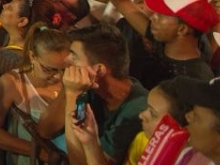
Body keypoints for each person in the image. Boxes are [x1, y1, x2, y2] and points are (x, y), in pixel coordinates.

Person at [42, 23, 148, 165]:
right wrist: (67, 90)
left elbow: (80, 163)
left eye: (74, 56)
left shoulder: (136, 111)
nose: (66, 60)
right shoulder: (91, 88)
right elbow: (45, 130)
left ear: (98, 70)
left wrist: (73, 93)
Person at [0, 24, 71, 165]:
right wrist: (38, 152)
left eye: (64, 69)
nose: (59, 77)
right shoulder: (12, 82)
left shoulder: (73, 82)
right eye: (49, 69)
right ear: (32, 56)